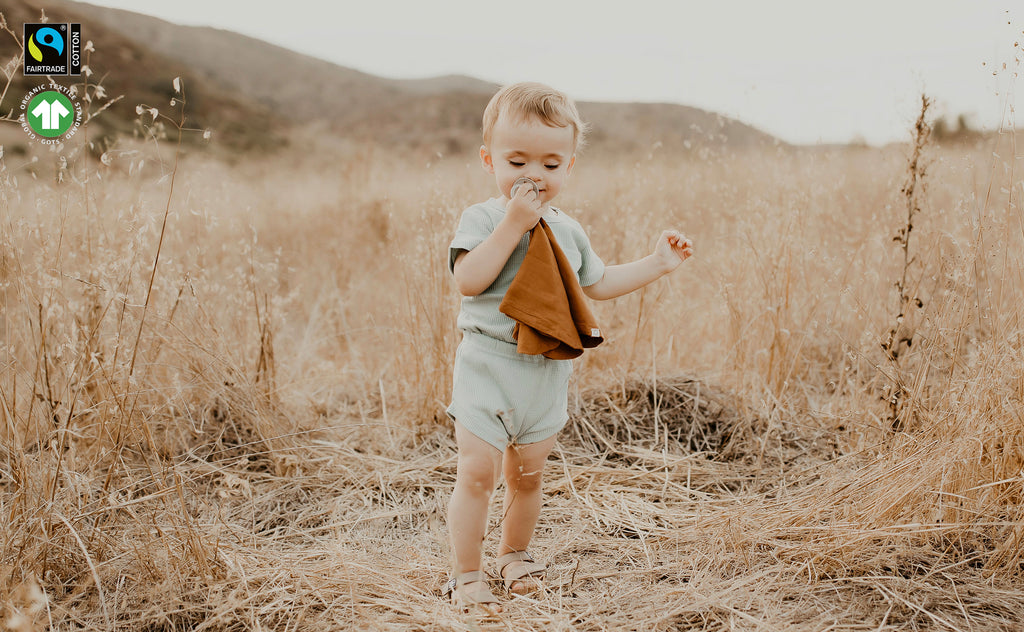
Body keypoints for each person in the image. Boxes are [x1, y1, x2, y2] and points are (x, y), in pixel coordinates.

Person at [444, 82, 693, 613]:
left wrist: (657, 264)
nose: (534, 175)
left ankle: (514, 555)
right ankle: (467, 574)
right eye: (517, 161)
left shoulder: (568, 230)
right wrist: (514, 223)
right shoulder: (485, 219)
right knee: (478, 473)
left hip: (543, 372)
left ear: (569, 168)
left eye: (551, 165)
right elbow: (468, 279)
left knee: (528, 476)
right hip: (487, 365)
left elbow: (596, 283)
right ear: (489, 159)